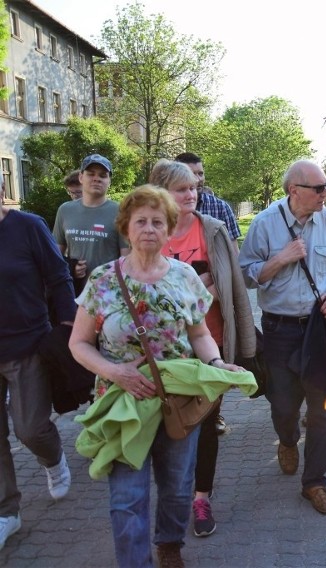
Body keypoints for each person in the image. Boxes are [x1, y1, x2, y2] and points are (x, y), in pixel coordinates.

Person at [68, 185, 245, 567]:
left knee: (179, 488)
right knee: (126, 499)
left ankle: (169, 543)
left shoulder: (184, 276)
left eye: (158, 222)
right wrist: (116, 372)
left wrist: (214, 366)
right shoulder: (102, 280)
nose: (149, 228)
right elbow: (78, 343)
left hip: (176, 400)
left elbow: (199, 334)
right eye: (141, 221)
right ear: (126, 228)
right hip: (123, 403)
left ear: (168, 230)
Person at [149, 160, 256, 538]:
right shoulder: (149, 232)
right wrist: (197, 289)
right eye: (182, 188)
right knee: (171, 428)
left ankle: (201, 496)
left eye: (193, 186)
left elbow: (235, 287)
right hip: (164, 355)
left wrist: (242, 342)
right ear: (162, 192)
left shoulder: (213, 230)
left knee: (207, 425)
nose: (191, 193)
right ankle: (173, 496)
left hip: (210, 343)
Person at [239, 160, 326, 515]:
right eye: (319, 188)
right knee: (284, 407)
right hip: (279, 330)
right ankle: (287, 440)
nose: (325, 194)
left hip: (319, 330)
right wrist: (280, 259)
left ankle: (315, 483)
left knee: (324, 409)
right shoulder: (264, 223)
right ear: (294, 191)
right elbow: (245, 275)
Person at [0, 180, 74, 551]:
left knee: (30, 428)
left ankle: (53, 457)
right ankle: (6, 513)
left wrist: (68, 324)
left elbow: (58, 275)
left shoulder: (27, 226)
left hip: (26, 343)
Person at [175, 151, 242, 435]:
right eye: (189, 178)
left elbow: (233, 259)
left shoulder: (220, 209)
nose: (197, 182)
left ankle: (213, 413)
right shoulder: (157, 222)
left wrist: (212, 290)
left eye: (200, 175)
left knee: (214, 360)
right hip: (173, 320)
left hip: (211, 311)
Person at [53, 154, 129, 282]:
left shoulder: (121, 212)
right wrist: (71, 268)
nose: (96, 179)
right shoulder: (65, 210)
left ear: (109, 181)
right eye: (91, 174)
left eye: (102, 175)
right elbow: (55, 256)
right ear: (81, 177)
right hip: (73, 293)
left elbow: (127, 260)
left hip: (108, 295)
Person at [174, 152, 241, 253]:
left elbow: (234, 254)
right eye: (192, 174)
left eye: (201, 173)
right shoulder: (164, 209)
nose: (198, 179)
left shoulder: (221, 208)